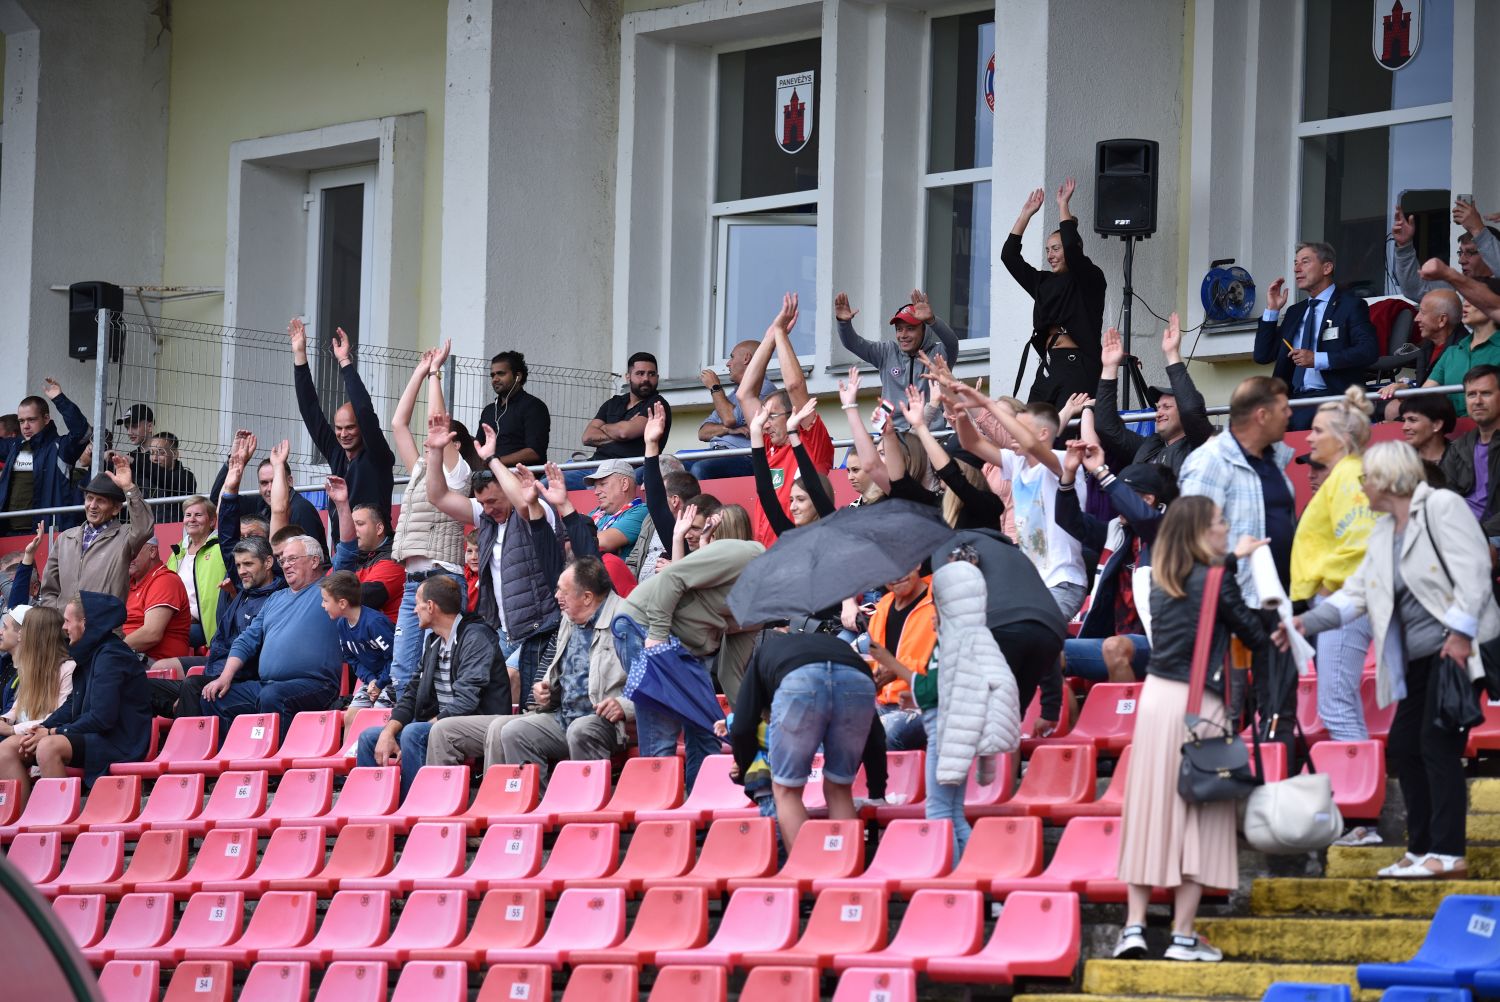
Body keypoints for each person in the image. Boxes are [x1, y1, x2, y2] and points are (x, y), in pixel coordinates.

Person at [1291, 441, 1500, 879]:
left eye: (1367, 478)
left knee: (1437, 746)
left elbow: (1475, 571)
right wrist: (1303, 624)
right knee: (1405, 746)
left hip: (1454, 650)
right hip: (1416, 660)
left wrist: (1460, 635)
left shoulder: (1440, 506)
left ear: (1388, 478)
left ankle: (1448, 854)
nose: (1362, 486)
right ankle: (1420, 850)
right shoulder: (1385, 530)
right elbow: (1356, 593)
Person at [1113, 498, 1271, 963]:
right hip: (1200, 703)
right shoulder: (1217, 579)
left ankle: (1134, 927)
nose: (1226, 527)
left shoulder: (1161, 579)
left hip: (1156, 701)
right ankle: (1182, 935)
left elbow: (1203, 583)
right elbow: (1253, 635)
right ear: (1203, 531)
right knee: (1200, 818)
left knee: (1149, 813)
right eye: (1220, 522)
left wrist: (1231, 558)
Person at [1177, 376, 1297, 752]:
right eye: (1283, 408)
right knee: (1224, 714)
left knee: (1280, 711)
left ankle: (1276, 783)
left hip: (1278, 601)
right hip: (1231, 605)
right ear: (1261, 415)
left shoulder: (1275, 458)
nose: (1290, 415)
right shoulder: (1210, 462)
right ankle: (1234, 783)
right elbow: (1191, 543)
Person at [445, 558, 633, 782]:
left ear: (587, 597)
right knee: (514, 732)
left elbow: (653, 679)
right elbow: (562, 674)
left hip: (611, 723)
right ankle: (533, 802)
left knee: (581, 729)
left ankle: (587, 800)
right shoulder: (569, 618)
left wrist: (624, 705)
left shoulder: (626, 620)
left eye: (563, 592)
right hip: (565, 716)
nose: (556, 596)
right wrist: (546, 689)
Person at [424, 413, 563, 708]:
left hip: (539, 630)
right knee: (478, 689)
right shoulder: (486, 517)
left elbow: (523, 502)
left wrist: (492, 459)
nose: (487, 509)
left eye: (494, 501)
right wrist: (435, 453)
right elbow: (438, 497)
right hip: (503, 632)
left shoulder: (536, 510)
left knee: (511, 682)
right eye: (482, 503)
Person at [612, 530, 763, 789]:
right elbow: (672, 576)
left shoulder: (765, 608)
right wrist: (658, 636)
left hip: (686, 649)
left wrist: (744, 727)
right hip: (644, 625)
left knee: (709, 730)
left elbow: (730, 673)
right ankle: (656, 810)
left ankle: (700, 807)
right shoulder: (746, 555)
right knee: (662, 734)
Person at [360, 575, 510, 798]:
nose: (414, 610)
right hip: (442, 724)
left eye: (417, 604)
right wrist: (388, 732)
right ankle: (373, 809)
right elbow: (411, 693)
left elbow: (466, 701)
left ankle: (415, 808)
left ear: (430, 606)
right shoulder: (434, 642)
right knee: (369, 738)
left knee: (414, 733)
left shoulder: (476, 637)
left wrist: (426, 727)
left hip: (480, 724)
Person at [951, 383, 1091, 620]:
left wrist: (986, 404)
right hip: (1030, 582)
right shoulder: (1016, 461)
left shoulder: (1064, 461)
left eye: (1019, 428)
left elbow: (1033, 446)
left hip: (1062, 582)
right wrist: (959, 410)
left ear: (1043, 434)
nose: (1011, 433)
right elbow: (971, 444)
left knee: (1033, 634)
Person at [731, 624, 875, 850]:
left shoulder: (761, 657)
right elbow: (875, 729)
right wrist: (878, 786)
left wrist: (744, 770)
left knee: (786, 790)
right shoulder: (826, 644)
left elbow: (741, 727)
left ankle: (806, 866)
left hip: (801, 679)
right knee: (839, 788)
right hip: (856, 676)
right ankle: (845, 864)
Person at [1289, 388, 1378, 749]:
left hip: (1344, 602)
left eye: (1318, 430)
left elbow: (1361, 544)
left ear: (1342, 438)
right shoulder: (1348, 475)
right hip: (1343, 601)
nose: (1309, 438)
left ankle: (1357, 780)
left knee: (1335, 706)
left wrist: (1329, 589)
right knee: (1339, 703)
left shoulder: (1349, 477)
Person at [0, 592, 151, 802]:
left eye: (68, 621)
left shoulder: (111, 656)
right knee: (8, 748)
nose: (63, 627)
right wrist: (42, 728)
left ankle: (58, 816)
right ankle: (23, 816)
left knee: (48, 746)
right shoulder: (91, 654)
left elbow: (102, 718)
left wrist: (53, 732)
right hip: (92, 735)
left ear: (85, 623)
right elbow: (71, 705)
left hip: (118, 740)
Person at [1057, 417, 1171, 685]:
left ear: (1148, 500)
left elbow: (1144, 519)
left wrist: (1102, 472)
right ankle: (1065, 714)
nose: (1115, 504)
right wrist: (1068, 475)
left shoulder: (1167, 531)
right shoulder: (1117, 532)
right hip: (1116, 640)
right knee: (1043, 649)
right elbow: (1068, 520)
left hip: (1160, 644)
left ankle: (1129, 712)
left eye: (1123, 496)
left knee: (1114, 648)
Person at [919, 559, 1021, 862]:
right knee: (953, 811)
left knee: (938, 811)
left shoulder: (956, 640)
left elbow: (931, 691)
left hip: (948, 732)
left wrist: (890, 664)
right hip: (955, 733)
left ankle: (948, 877)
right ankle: (968, 872)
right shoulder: (975, 634)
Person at [389, 345, 474, 700]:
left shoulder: (457, 473)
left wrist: (437, 375)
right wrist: (420, 371)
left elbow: (438, 422)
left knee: (436, 672)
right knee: (402, 673)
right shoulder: (421, 471)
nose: (428, 444)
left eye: (437, 441)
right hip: (414, 584)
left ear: (453, 443)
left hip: (441, 579)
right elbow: (398, 424)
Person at [199, 534, 341, 728]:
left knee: (272, 696)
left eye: (292, 559)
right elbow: (246, 640)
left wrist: (343, 514)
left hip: (315, 685)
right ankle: (237, 748)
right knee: (213, 697)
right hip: (269, 686)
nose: (286, 565)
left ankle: (274, 748)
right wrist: (224, 677)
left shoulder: (329, 590)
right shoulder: (275, 598)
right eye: (283, 561)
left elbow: (347, 553)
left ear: (315, 561)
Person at [738, 295, 834, 547]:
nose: (765, 423)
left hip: (801, 549)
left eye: (771, 416)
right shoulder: (768, 445)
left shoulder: (811, 442)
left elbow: (794, 386)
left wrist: (781, 334)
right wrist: (770, 336)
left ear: (793, 415)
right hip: (767, 554)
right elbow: (745, 394)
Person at [1001, 179, 1108, 407]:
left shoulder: (1090, 278)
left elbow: (1071, 247)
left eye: (1056, 249)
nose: (1050, 255)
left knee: (1066, 426)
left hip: (1078, 365)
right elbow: (1009, 256)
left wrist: (1063, 206)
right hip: (1049, 364)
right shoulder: (1044, 282)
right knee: (1031, 424)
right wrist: (1026, 215)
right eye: (1047, 250)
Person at [289, 317, 396, 539]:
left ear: (362, 428)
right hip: (344, 550)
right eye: (338, 428)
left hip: (376, 549)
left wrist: (344, 361)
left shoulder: (377, 455)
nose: (343, 434)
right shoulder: (337, 453)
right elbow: (310, 411)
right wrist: (300, 356)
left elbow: (364, 410)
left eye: (350, 428)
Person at [1252, 242, 1378, 430]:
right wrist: (1272, 310)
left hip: (1332, 397)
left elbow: (1368, 351)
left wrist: (1317, 359)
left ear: (1327, 268)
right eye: (1295, 263)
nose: (1296, 269)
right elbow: (1263, 356)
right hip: (1292, 400)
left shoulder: (1350, 306)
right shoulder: (1295, 312)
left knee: (1298, 425)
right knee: (1247, 426)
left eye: (1305, 262)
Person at [157, 536, 285, 717]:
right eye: (238, 565)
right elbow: (220, 640)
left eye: (248, 564)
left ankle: (187, 732)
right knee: (142, 685)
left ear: (268, 562)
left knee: (192, 687)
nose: (241, 571)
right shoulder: (244, 593)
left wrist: (218, 677)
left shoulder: (277, 599)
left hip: (241, 678)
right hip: (216, 670)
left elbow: (253, 654)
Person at [1095, 316, 1214, 474]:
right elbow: (1106, 427)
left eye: (1167, 407)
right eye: (1158, 408)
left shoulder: (1201, 445)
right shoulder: (1148, 446)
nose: (1159, 413)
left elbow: (1191, 410)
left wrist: (1172, 354)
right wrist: (1109, 368)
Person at [834, 288, 959, 431]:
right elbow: (853, 343)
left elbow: (952, 343)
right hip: (892, 434)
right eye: (899, 329)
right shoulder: (887, 352)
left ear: (925, 331)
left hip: (930, 435)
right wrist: (844, 324)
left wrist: (932, 321)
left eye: (910, 329)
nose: (903, 335)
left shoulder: (938, 354)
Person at [39, 453, 154, 607]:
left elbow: (144, 528)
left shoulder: (125, 536)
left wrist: (129, 487)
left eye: (101, 501)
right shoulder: (65, 538)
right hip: (64, 622)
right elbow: (49, 589)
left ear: (116, 508)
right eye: (89, 498)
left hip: (104, 622)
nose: (92, 506)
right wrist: (58, 617)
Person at [1, 379, 91, 533]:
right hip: (8, 532)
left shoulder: (60, 447)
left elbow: (82, 432)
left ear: (46, 419)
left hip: (45, 533)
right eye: (21, 421)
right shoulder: (14, 446)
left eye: (31, 420)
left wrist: (59, 399)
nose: (25, 426)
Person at [570, 352, 671, 489]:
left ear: (657, 377)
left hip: (629, 470)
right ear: (628, 377)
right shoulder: (613, 402)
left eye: (651, 374)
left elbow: (624, 433)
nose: (646, 379)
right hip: (596, 465)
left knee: (595, 490)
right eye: (640, 373)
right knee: (547, 484)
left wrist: (605, 427)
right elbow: (587, 437)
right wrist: (620, 431)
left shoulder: (657, 404)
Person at [1377, 290, 1477, 417]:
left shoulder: (1461, 351)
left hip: (1446, 417)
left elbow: (1447, 400)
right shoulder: (1428, 346)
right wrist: (1406, 387)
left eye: (1422, 313)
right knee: (1388, 407)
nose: (1416, 318)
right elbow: (1425, 386)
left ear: (1442, 320)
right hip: (1427, 408)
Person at [867, 566, 935, 751]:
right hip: (884, 702)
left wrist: (897, 668)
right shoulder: (882, 608)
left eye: (902, 565)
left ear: (918, 563)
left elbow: (949, 669)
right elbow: (877, 665)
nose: (897, 575)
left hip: (926, 703)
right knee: (832, 727)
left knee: (884, 734)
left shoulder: (941, 602)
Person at [690, 340, 777, 481]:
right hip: (716, 454)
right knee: (670, 467)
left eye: (732, 357)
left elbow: (730, 419)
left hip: (746, 458)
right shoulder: (732, 395)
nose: (728, 364)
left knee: (700, 469)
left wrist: (715, 387)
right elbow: (703, 432)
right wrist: (729, 430)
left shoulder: (763, 388)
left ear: (746, 358)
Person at [323, 475, 404, 624]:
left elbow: (364, 599)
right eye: (351, 524)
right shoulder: (349, 555)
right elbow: (326, 590)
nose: (353, 529)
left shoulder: (395, 559)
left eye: (359, 524)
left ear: (379, 528)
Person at [321, 570, 395, 731]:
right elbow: (352, 659)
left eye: (325, 600)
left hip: (392, 681)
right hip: (372, 681)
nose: (322, 605)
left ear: (342, 603)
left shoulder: (375, 623)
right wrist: (371, 680)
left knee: (376, 715)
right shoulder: (342, 625)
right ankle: (349, 748)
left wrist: (380, 683)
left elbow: (396, 658)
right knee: (351, 716)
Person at [750, 397, 836, 537]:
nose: (792, 507)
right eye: (791, 500)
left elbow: (813, 486)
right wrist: (755, 431)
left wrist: (792, 434)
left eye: (800, 499)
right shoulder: (789, 534)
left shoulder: (834, 529)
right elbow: (765, 493)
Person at [637, 403, 702, 581]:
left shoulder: (720, 560)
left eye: (696, 528)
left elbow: (656, 504)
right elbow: (656, 504)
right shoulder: (676, 537)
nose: (688, 534)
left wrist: (678, 569)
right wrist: (651, 444)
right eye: (685, 528)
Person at [1392, 198, 1500, 301]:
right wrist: (1404, 246)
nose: (1461, 260)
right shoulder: (1455, 287)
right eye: (1460, 253)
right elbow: (1415, 289)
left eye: (1470, 252)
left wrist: (1477, 229)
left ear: (1489, 253)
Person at [1438, 365, 1500, 539]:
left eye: (1486, 393)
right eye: (1471, 394)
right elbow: (1441, 495)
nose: (1477, 401)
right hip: (1458, 534)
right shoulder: (1459, 447)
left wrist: (1478, 536)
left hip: (1491, 537)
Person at [166, 495, 230, 648]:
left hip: (205, 626)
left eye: (198, 515)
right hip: (172, 620)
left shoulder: (221, 548)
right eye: (188, 515)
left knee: (160, 637)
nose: (192, 519)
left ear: (212, 521)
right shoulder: (178, 552)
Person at [0, 605, 74, 738]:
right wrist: (5, 719)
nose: (20, 635)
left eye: (26, 629)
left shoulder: (68, 668)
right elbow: (19, 704)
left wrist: (13, 730)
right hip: (21, 732)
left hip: (40, 737)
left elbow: (59, 716)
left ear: (38, 636)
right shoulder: (29, 665)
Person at [122, 540, 192, 662]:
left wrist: (110, 650)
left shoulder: (165, 580)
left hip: (153, 661)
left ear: (152, 551)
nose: (128, 557)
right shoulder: (127, 583)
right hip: (127, 657)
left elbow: (151, 634)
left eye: (133, 551)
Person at [477, 350, 550, 468]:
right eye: (492, 375)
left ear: (518, 376)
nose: (495, 379)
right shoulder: (489, 411)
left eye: (501, 374)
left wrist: (495, 462)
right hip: (488, 475)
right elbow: (478, 446)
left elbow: (535, 452)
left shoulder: (534, 406)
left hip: (521, 475)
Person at [584, 460, 650, 556]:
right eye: (595, 487)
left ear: (624, 484)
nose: (596, 492)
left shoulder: (641, 511)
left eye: (603, 484)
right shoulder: (596, 513)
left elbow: (602, 543)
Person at [140, 432, 198, 522]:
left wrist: (134, 461)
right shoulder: (146, 479)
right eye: (151, 453)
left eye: (161, 453)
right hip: (148, 529)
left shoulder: (186, 477)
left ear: (175, 454)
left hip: (174, 528)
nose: (154, 458)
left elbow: (164, 477)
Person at [1399, 393, 1456, 481]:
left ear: (1436, 425)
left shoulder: (1460, 458)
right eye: (1404, 420)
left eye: (1412, 420)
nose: (1404, 427)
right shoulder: (1401, 459)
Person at [115, 404, 156, 487]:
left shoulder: (162, 454)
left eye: (134, 426)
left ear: (150, 427)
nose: (129, 432)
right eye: (127, 427)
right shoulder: (130, 456)